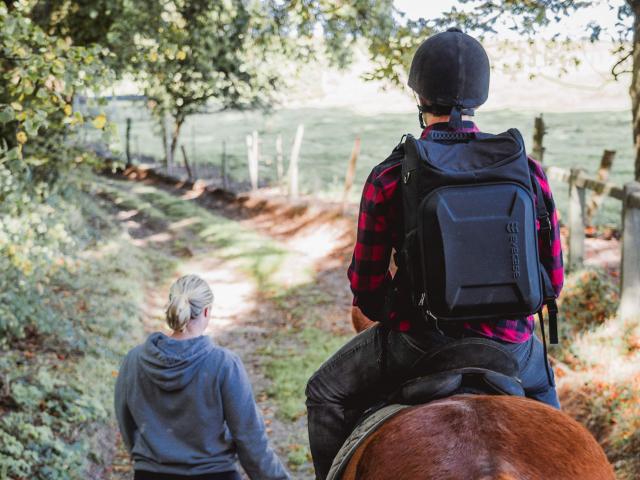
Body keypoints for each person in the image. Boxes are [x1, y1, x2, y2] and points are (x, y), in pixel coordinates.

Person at [305, 28, 564, 480]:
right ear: (480, 96)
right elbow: (552, 282)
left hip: (417, 344)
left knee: (325, 393)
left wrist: (403, 312)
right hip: (512, 348)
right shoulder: (527, 170)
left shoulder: (390, 176)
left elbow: (366, 288)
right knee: (560, 435)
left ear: (420, 94)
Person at [115, 274, 290, 480]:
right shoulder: (224, 364)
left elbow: (126, 423)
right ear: (207, 311)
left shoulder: (134, 361)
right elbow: (250, 439)